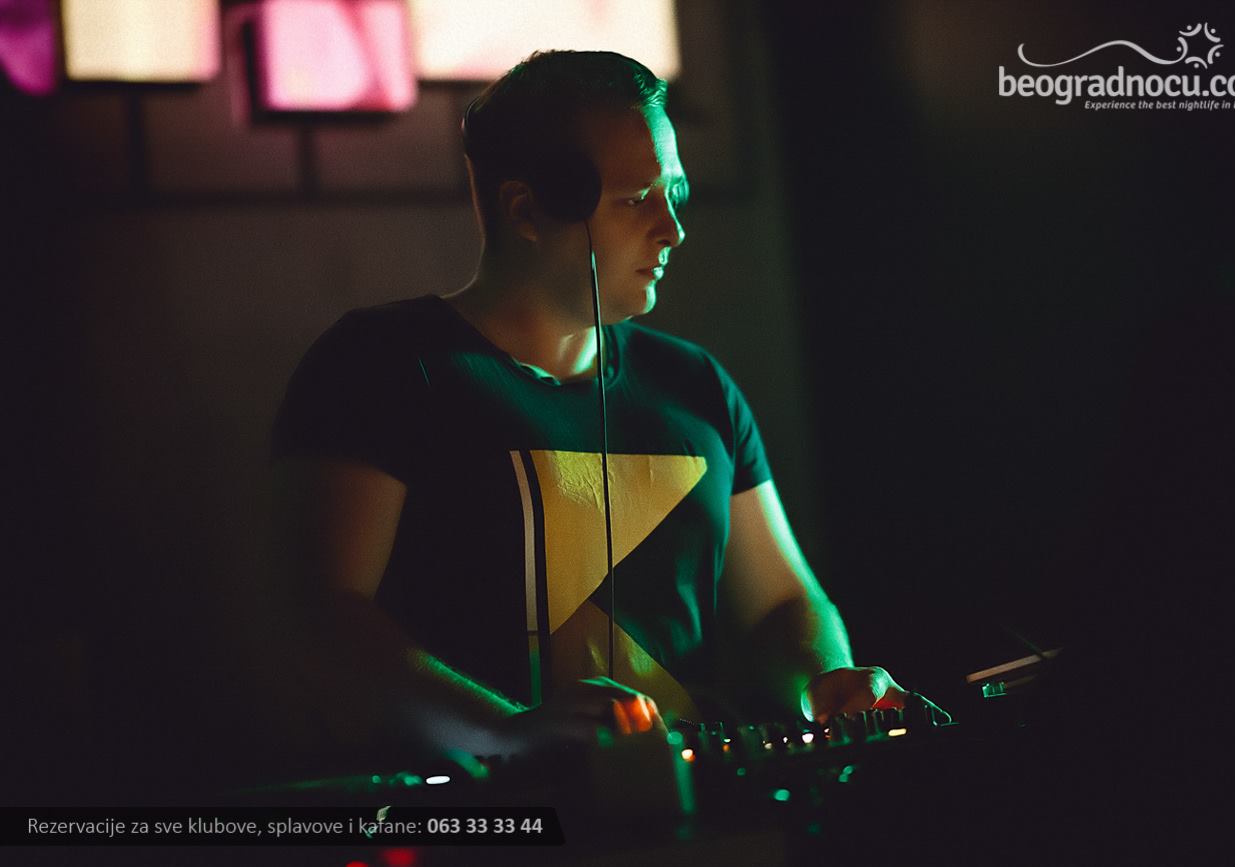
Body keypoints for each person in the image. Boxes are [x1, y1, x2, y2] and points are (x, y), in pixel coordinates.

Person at [271, 50, 912, 764]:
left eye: (675, 193)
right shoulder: (382, 365)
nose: (673, 230)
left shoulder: (696, 385)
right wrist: (507, 735)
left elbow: (781, 602)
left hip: (690, 804)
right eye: (637, 200)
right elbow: (323, 618)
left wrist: (825, 678)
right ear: (526, 209)